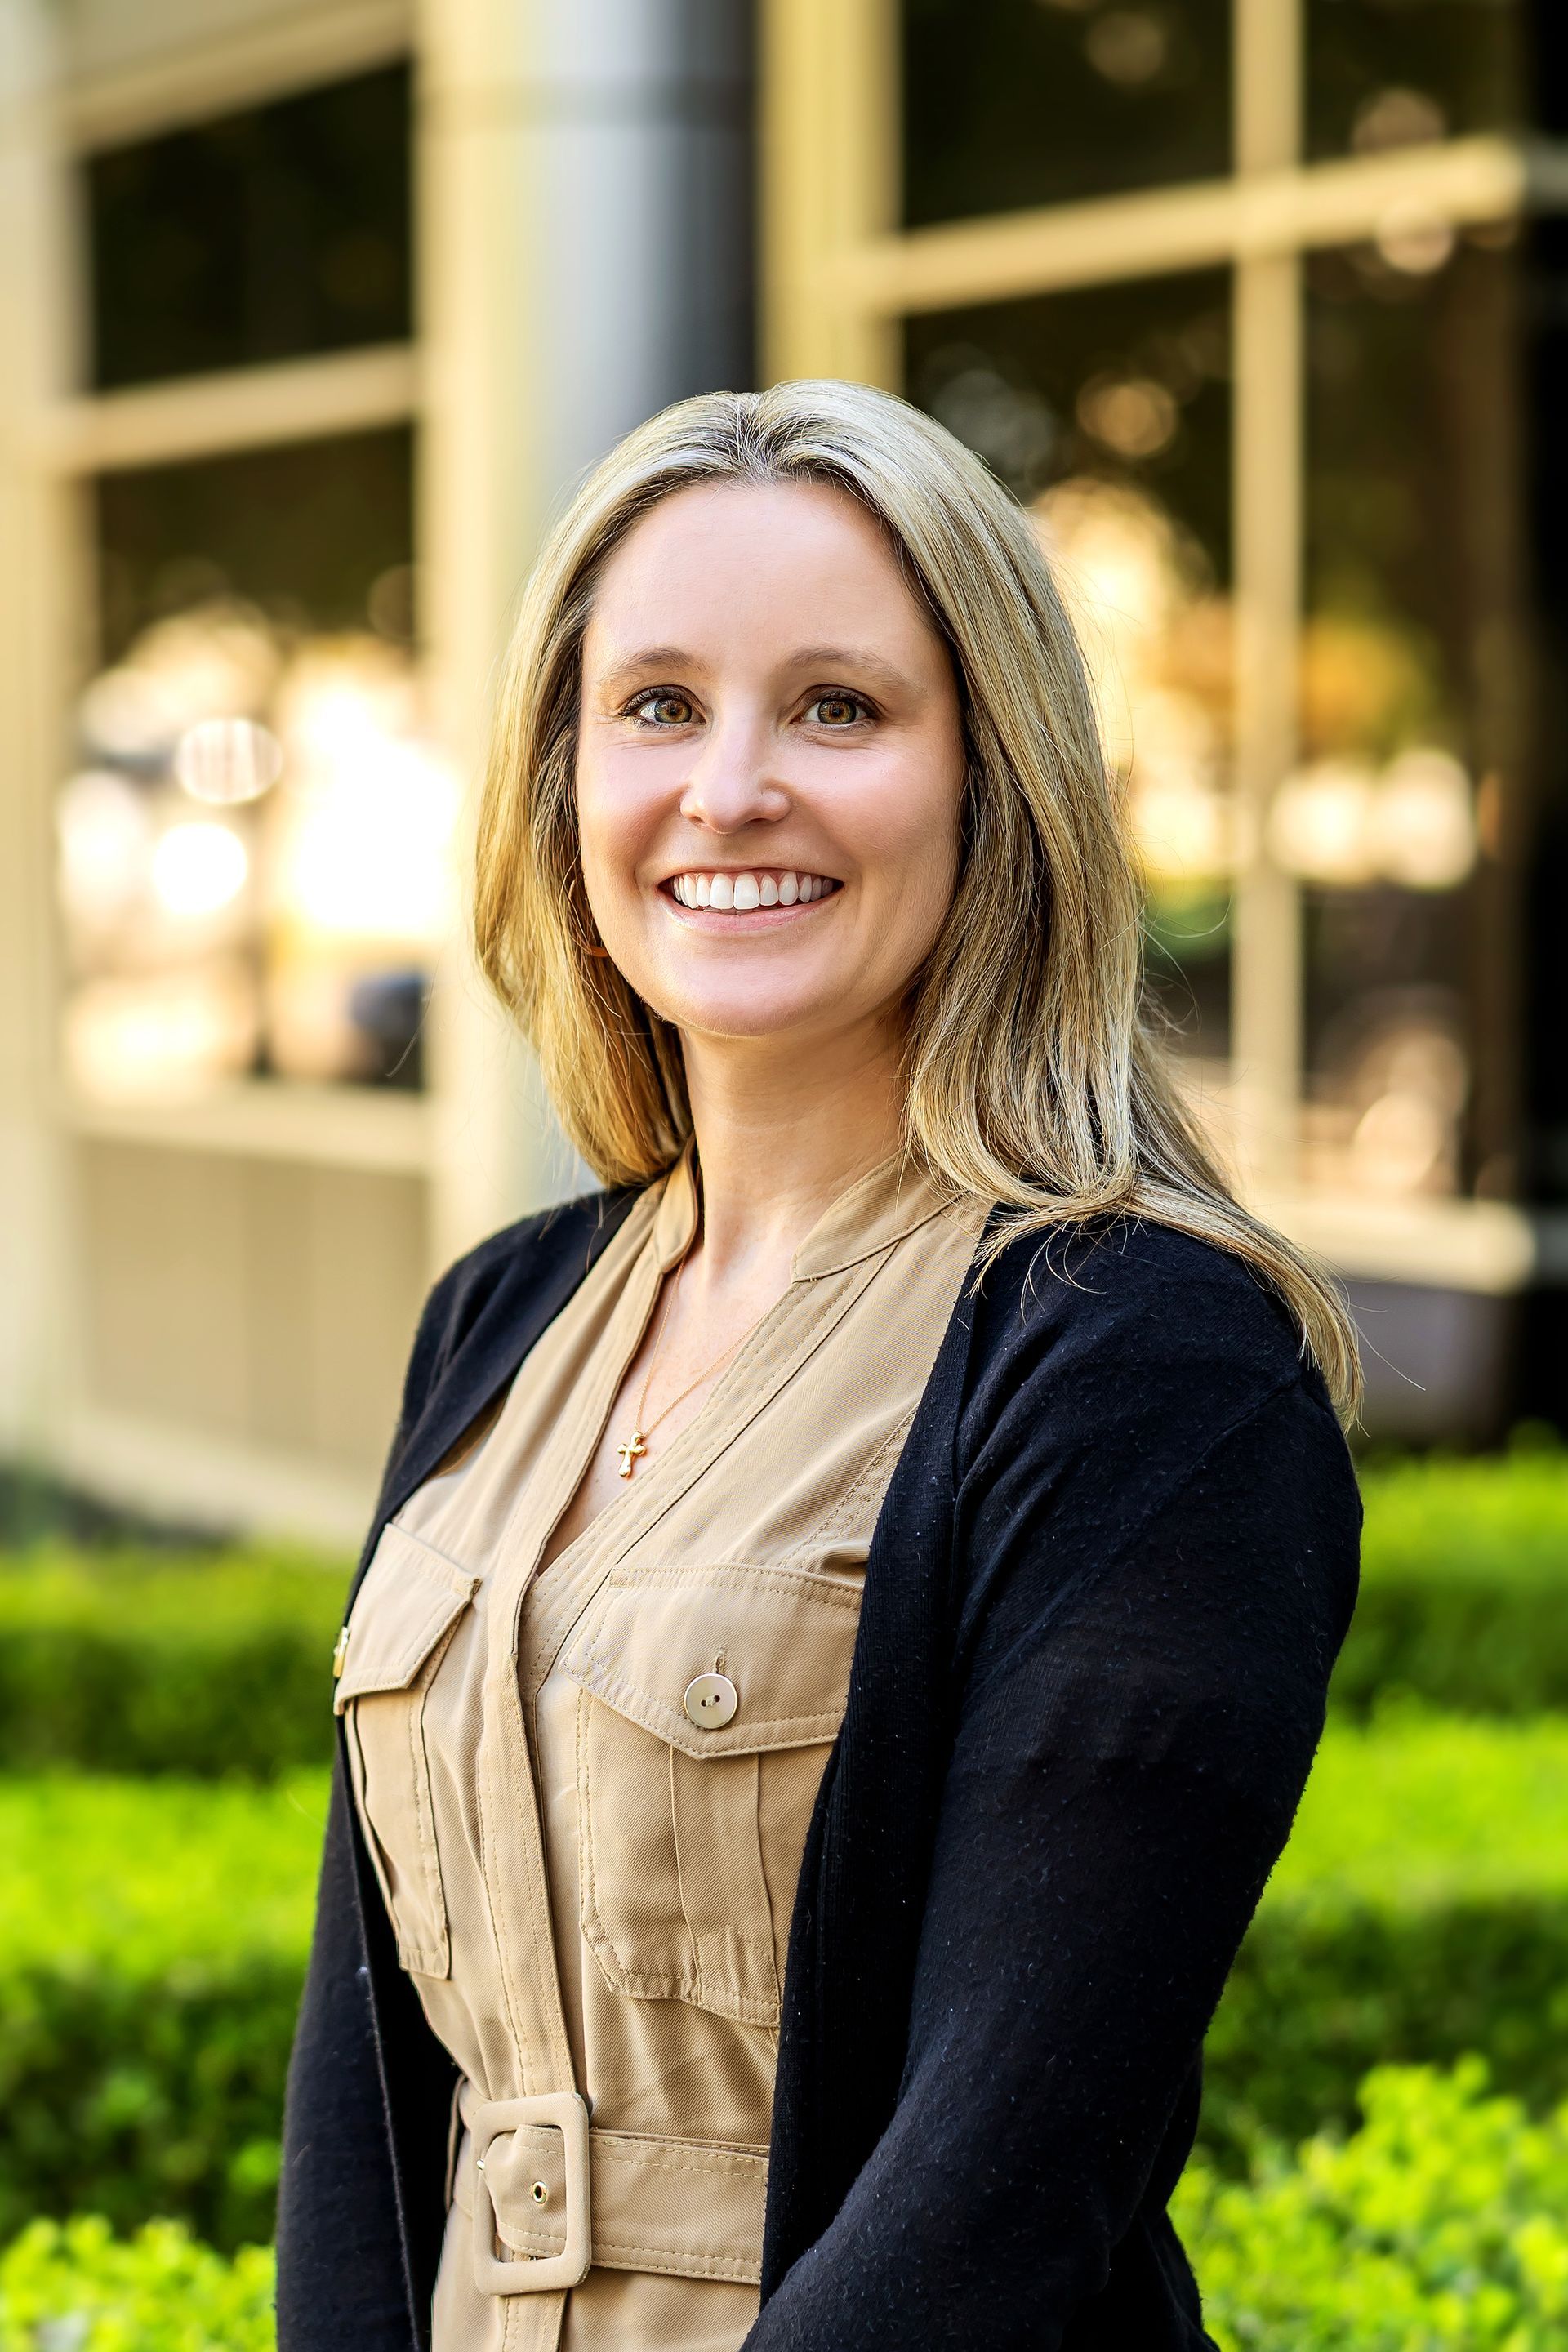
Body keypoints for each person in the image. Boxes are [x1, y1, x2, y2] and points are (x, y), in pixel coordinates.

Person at [277, 380, 1361, 2352]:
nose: (731, 788)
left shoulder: (1147, 1365)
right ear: (565, 781)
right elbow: (363, 2102)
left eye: (838, 709)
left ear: (990, 777)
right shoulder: (499, 1319)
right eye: (658, 705)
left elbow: (1010, 2187)